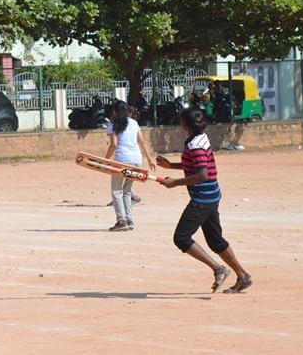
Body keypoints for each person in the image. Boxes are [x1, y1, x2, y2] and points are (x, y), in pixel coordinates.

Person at [157, 108, 252, 294]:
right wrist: (171, 166)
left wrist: (175, 183)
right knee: (215, 241)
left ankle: (219, 269)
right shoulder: (199, 139)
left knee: (181, 238)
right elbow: (195, 166)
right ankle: (243, 276)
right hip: (211, 195)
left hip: (203, 198)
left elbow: (202, 174)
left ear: (184, 124)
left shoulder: (195, 145)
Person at [105, 99, 155, 231]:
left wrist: (105, 160)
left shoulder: (113, 123)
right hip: (136, 160)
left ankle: (121, 221)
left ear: (114, 111)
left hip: (122, 160)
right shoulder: (133, 123)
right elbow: (142, 142)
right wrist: (150, 159)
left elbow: (114, 144)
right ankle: (129, 220)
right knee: (127, 191)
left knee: (116, 191)